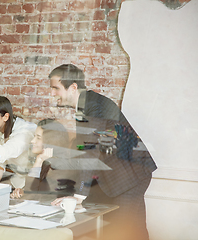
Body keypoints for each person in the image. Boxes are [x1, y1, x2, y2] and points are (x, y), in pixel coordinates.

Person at [48, 64, 157, 240]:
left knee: (121, 232)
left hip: (130, 177)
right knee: (135, 230)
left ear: (73, 87)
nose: (52, 93)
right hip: (129, 174)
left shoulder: (93, 106)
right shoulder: (88, 103)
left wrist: (79, 194)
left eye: (56, 88)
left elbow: (90, 150)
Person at [10, 118, 70, 198]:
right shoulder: (46, 161)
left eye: (38, 138)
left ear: (50, 141)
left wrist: (39, 161)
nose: (32, 141)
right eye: (35, 136)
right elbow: (32, 190)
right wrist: (23, 192)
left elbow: (40, 196)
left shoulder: (59, 166)